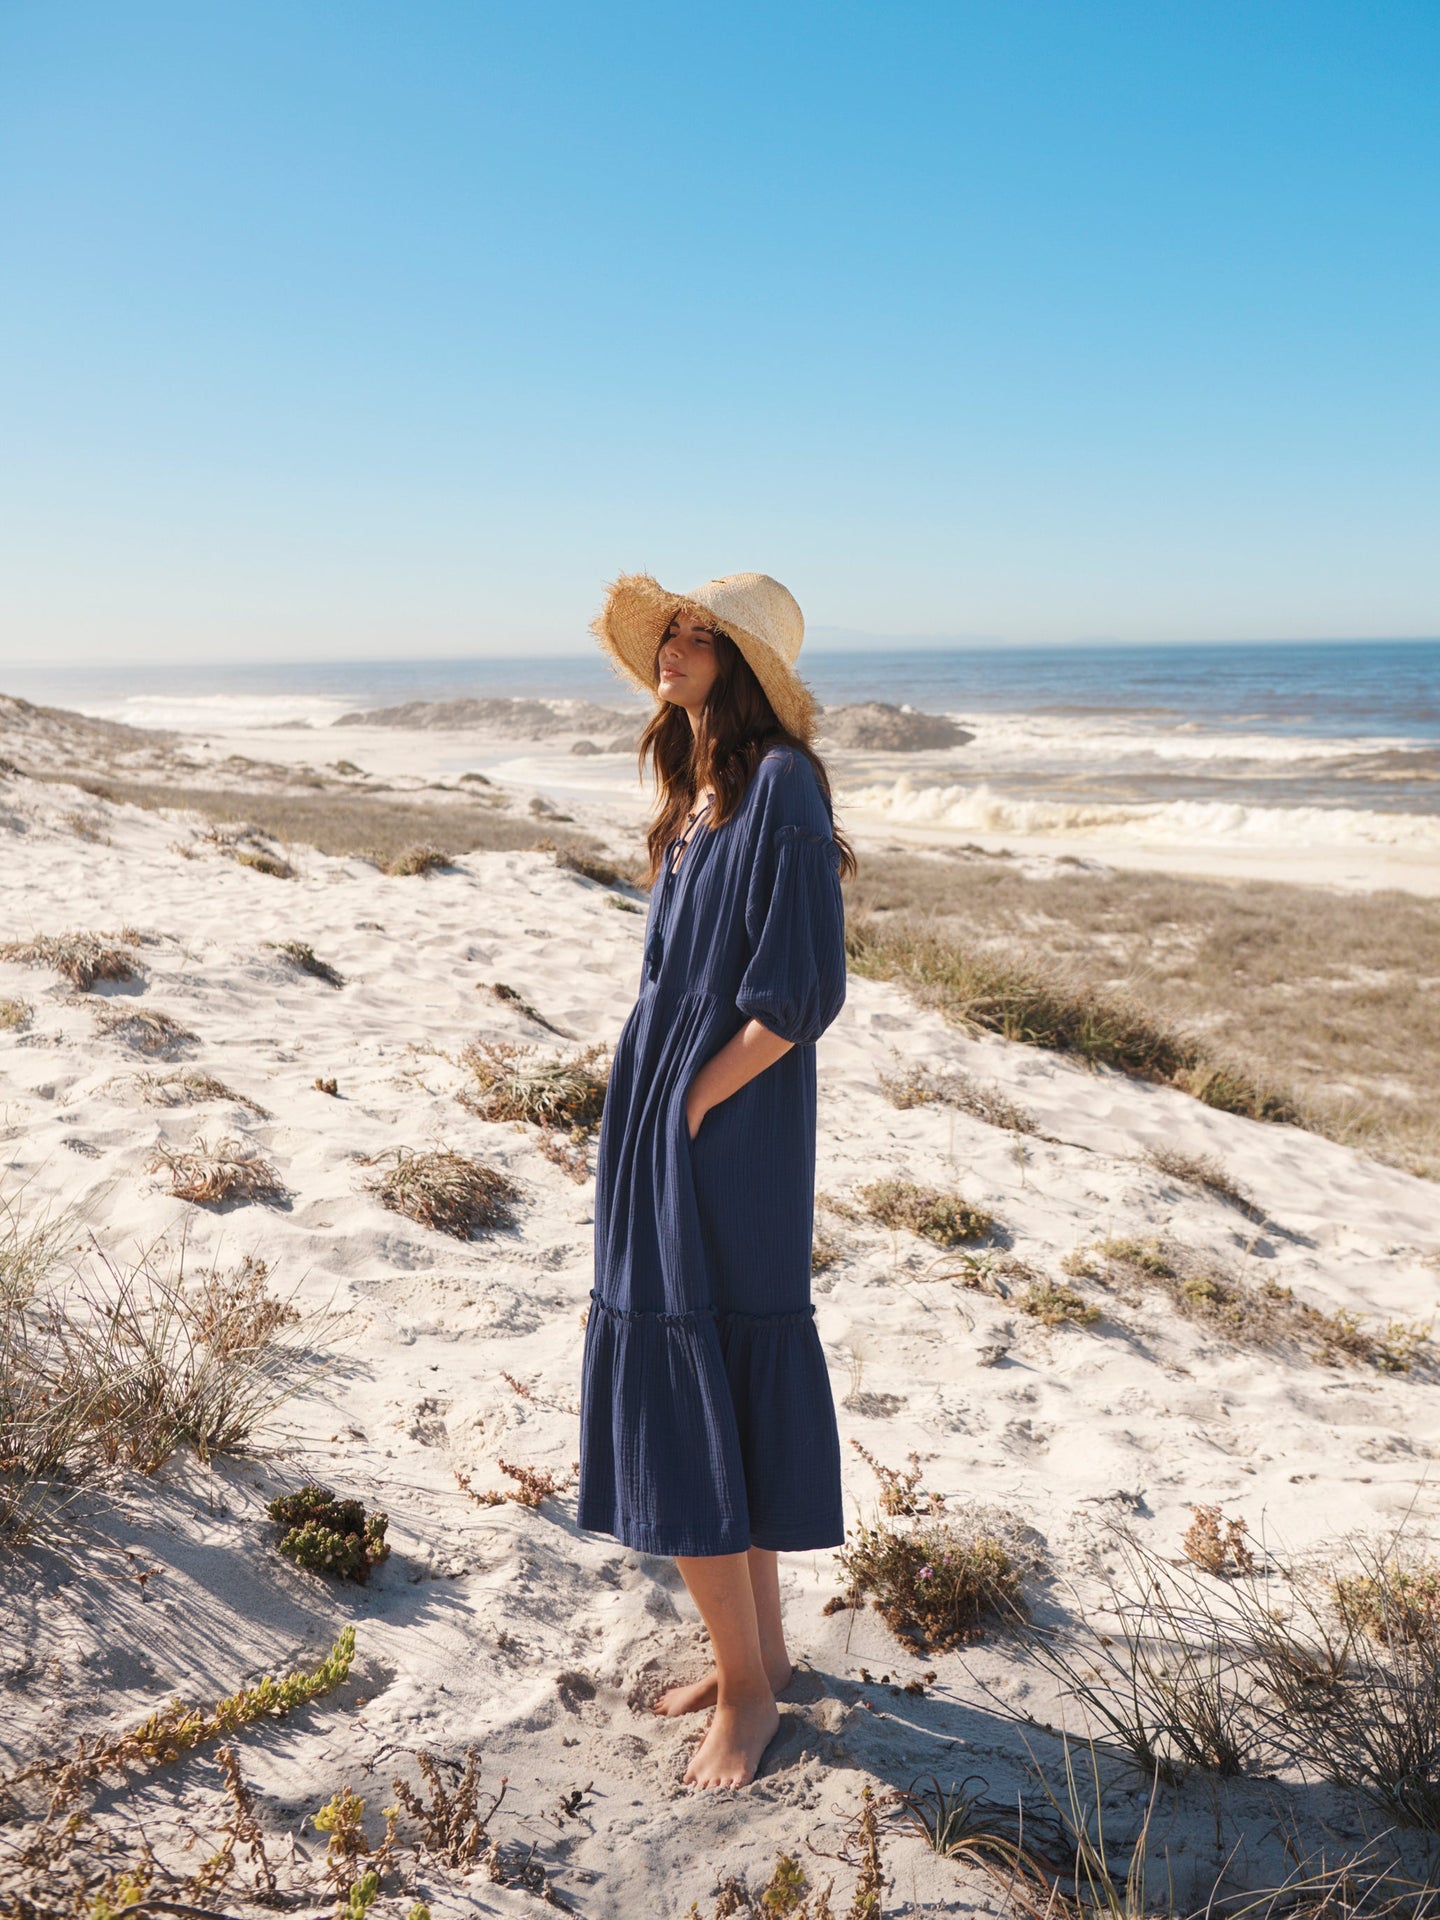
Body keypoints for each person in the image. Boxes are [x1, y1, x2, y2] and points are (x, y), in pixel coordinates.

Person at [577, 570, 858, 1790]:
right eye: (672, 633)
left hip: (724, 1119)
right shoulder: (701, 791)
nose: (674, 649)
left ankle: (747, 1696)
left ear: (742, 666)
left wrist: (693, 1101)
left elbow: (800, 994)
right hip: (676, 1106)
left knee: (690, 1365)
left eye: (700, 637)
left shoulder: (783, 784)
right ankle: (763, 1660)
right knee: (711, 1368)